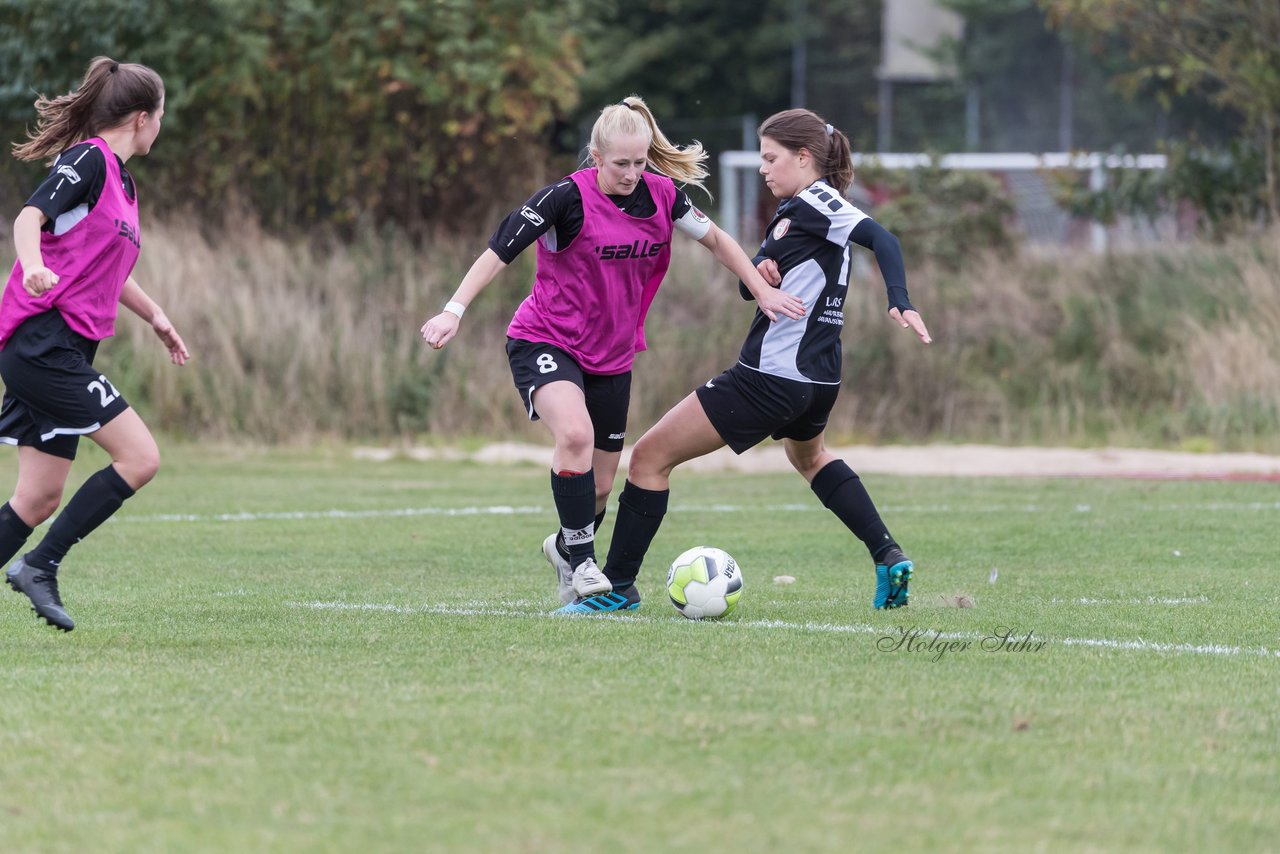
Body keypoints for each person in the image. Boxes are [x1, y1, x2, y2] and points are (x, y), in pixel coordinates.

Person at [421, 95, 805, 607]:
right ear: (596, 157)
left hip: (613, 355)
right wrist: (454, 309)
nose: (631, 173)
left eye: (640, 162)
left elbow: (717, 241)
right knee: (574, 434)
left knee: (601, 489)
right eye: (620, 164)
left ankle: (564, 549)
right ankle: (583, 564)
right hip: (545, 338)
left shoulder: (664, 197)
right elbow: (498, 253)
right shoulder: (563, 198)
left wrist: (761, 289)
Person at [557, 108, 932, 615]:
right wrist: (760, 270)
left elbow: (882, 238)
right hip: (818, 381)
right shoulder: (797, 213)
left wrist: (900, 297)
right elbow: (747, 286)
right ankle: (888, 555)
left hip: (770, 377)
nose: (763, 168)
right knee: (811, 458)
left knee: (648, 459)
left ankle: (618, 586)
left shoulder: (820, 202)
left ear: (804, 159)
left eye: (771, 158)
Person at [1, 57, 188, 632]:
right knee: (141, 457)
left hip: (67, 350)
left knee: (36, 501)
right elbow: (31, 217)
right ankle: (41, 565)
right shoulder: (88, 159)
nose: (161, 126)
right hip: (41, 344)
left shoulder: (121, 185)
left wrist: (156, 316)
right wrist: (31, 266)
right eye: (161, 116)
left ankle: (35, 555)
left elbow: (102, 264)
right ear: (141, 118)